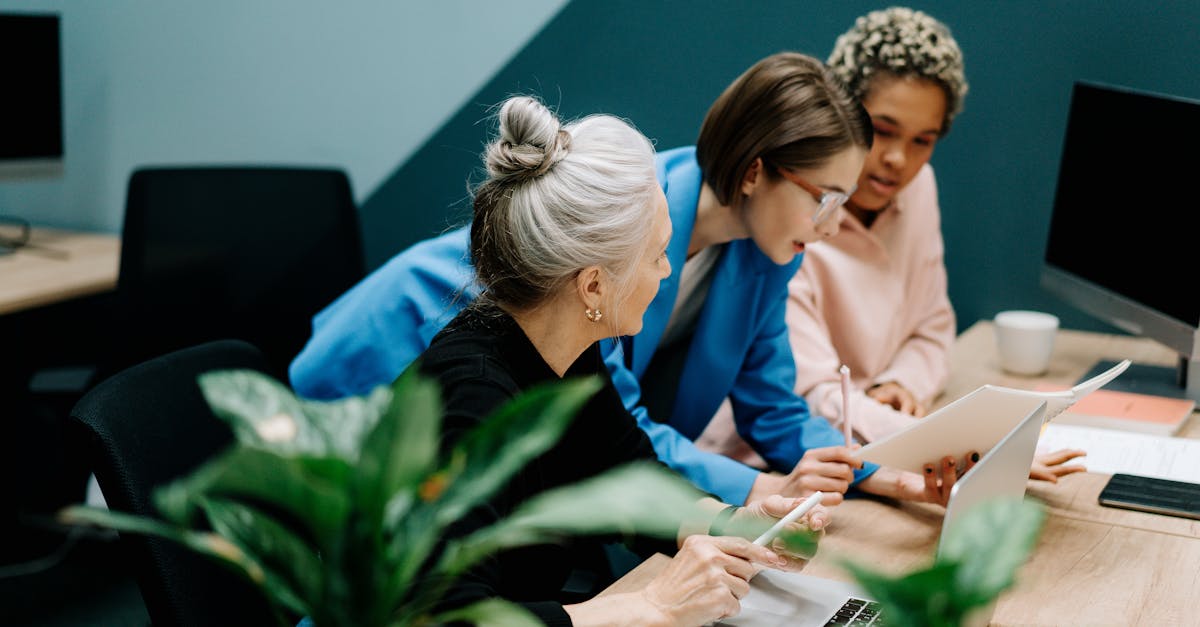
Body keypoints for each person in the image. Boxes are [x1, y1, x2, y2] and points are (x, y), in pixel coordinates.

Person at [290, 52, 970, 507]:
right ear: (757, 170)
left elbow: (774, 408)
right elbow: (627, 424)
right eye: (824, 197)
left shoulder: (769, 252)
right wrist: (759, 491)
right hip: (396, 348)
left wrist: (893, 477)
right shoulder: (626, 240)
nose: (830, 225)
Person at [419, 94, 827, 626]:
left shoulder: (569, 353)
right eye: (657, 255)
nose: (665, 272)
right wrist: (651, 607)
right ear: (593, 285)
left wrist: (738, 525)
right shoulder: (471, 400)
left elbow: (630, 477)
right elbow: (443, 616)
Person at [702, 7, 1085, 482]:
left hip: (870, 444)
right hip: (772, 463)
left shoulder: (918, 188)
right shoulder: (788, 218)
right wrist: (959, 444)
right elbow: (807, 396)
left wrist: (900, 383)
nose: (899, 161)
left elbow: (932, 324)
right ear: (842, 115)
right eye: (882, 131)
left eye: (923, 140)